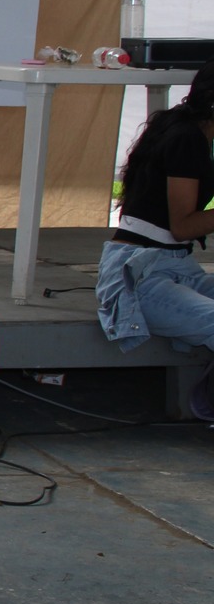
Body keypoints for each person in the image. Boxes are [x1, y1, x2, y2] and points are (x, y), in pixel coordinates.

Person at [97, 62, 214, 418]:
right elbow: (183, 226)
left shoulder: (189, 131)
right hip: (140, 275)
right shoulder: (186, 139)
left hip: (173, 265)